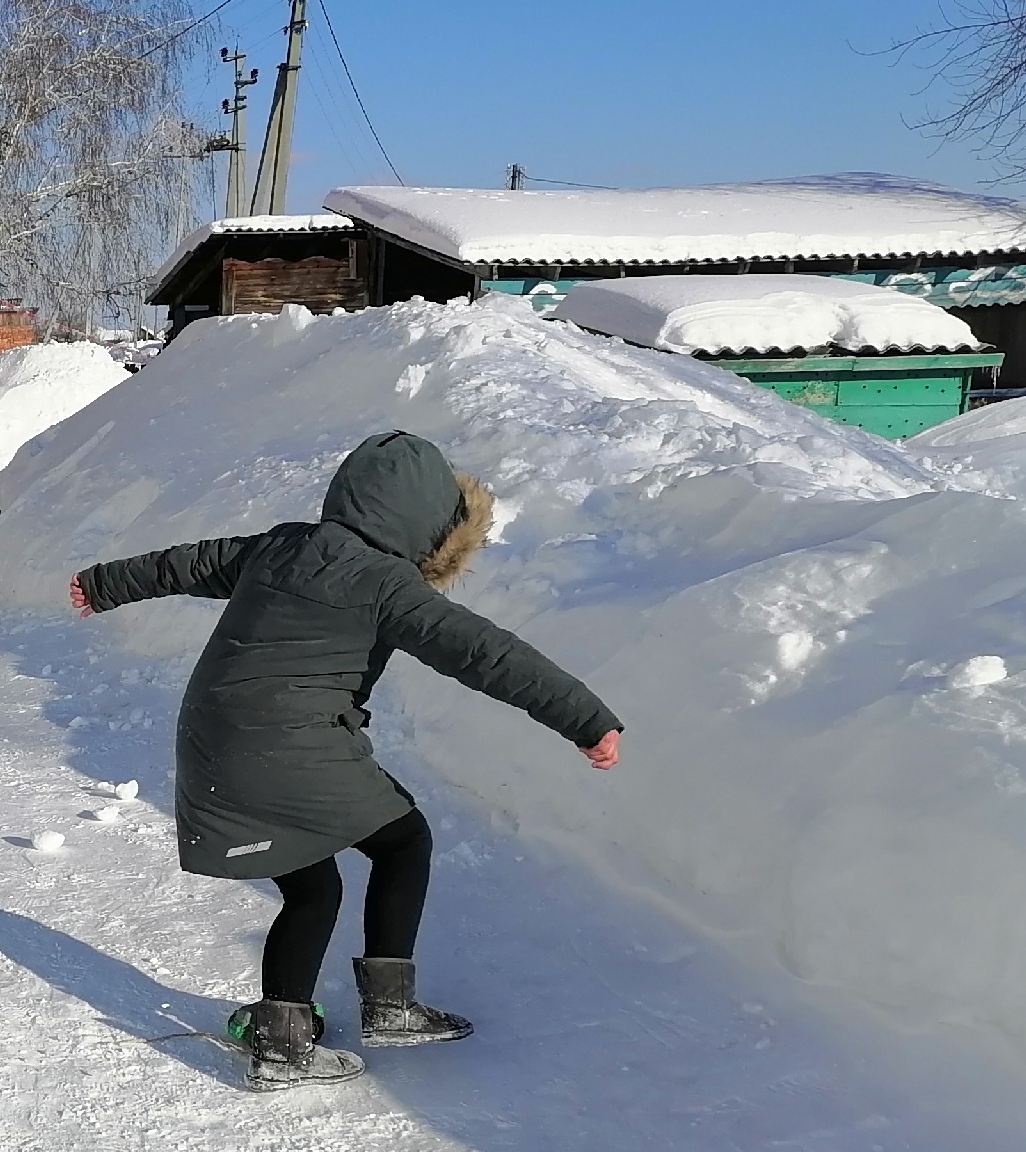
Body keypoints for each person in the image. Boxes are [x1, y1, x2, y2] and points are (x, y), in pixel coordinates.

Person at [68, 429, 622, 1089]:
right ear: (433, 528)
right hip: (292, 741)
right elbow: (487, 654)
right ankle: (378, 1010)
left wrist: (103, 584)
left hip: (212, 731)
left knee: (311, 885)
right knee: (403, 841)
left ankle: (285, 1027)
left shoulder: (281, 544)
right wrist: (585, 719)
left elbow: (187, 562)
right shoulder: (389, 584)